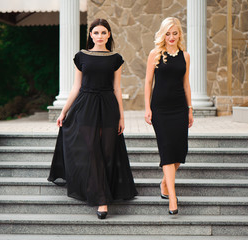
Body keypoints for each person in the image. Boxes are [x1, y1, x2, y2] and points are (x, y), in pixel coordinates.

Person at [48, 18, 137, 220]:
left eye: (103, 33)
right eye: (96, 32)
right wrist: (63, 111)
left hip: (108, 107)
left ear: (109, 35)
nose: (99, 36)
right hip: (85, 106)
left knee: (106, 152)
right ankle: (102, 200)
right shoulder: (81, 57)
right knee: (91, 150)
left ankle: (99, 188)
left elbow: (117, 88)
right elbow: (75, 87)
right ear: (90, 35)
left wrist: (122, 116)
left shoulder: (116, 58)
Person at [144, 17, 193, 215]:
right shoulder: (154, 54)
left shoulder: (185, 56)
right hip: (160, 109)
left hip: (180, 108)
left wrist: (190, 108)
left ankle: (165, 183)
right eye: (168, 33)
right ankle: (172, 197)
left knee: (180, 151)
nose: (171, 37)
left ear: (179, 34)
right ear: (162, 34)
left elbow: (186, 84)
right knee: (167, 150)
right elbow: (148, 82)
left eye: (175, 33)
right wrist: (147, 108)